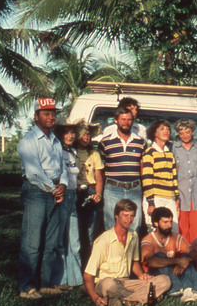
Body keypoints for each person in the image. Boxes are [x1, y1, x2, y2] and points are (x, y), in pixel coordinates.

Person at [17, 97, 69, 299]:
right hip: (37, 192)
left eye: (53, 113)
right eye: (46, 113)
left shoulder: (55, 140)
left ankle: (46, 283)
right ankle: (27, 287)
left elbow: (62, 167)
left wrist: (62, 184)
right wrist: (53, 188)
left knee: (51, 241)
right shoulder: (28, 141)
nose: (51, 116)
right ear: (36, 116)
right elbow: (33, 172)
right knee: (32, 242)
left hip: (55, 190)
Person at [83, 199, 171, 306]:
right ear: (116, 216)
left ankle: (123, 301)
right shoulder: (104, 240)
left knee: (164, 280)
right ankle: (145, 298)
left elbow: (134, 261)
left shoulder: (133, 236)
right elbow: (87, 275)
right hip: (106, 282)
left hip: (126, 283)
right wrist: (95, 298)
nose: (129, 220)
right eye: (125, 215)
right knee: (109, 285)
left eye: (132, 216)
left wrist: (141, 275)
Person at [140, 207, 197, 303]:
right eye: (165, 222)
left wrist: (186, 261)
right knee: (160, 255)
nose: (169, 225)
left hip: (173, 273)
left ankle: (190, 289)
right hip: (155, 275)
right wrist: (177, 261)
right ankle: (179, 288)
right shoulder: (148, 240)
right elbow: (151, 262)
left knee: (186, 255)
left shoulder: (175, 236)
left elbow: (194, 252)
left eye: (170, 222)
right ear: (156, 223)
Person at [99, 106, 145, 232]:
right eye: (123, 119)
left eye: (129, 119)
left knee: (134, 226)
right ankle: (114, 252)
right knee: (111, 226)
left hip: (134, 189)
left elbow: (142, 168)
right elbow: (100, 169)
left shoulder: (141, 142)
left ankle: (129, 252)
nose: (126, 122)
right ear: (116, 121)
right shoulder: (105, 142)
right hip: (113, 189)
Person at [53, 119, 83, 290]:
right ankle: (61, 278)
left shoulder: (73, 151)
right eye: (66, 132)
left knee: (74, 240)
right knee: (60, 239)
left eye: (72, 132)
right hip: (62, 197)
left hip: (73, 196)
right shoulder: (57, 151)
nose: (70, 135)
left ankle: (76, 278)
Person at [141, 119, 179, 233]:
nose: (166, 131)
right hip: (156, 198)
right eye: (162, 129)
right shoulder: (149, 153)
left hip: (170, 198)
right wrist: (151, 203)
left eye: (168, 129)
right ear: (154, 133)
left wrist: (176, 198)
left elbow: (174, 178)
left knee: (173, 231)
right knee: (155, 232)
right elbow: (147, 179)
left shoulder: (170, 154)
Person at [74, 120, 104, 264]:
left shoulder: (94, 154)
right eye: (83, 135)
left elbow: (99, 177)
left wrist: (98, 194)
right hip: (75, 192)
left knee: (91, 232)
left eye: (88, 135)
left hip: (91, 191)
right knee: (77, 231)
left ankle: (90, 265)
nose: (86, 138)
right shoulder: (71, 152)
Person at [173, 119, 197, 242]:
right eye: (181, 133)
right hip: (181, 198)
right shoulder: (174, 148)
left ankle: (195, 258)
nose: (184, 136)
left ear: (192, 131)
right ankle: (183, 258)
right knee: (182, 231)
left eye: (187, 132)